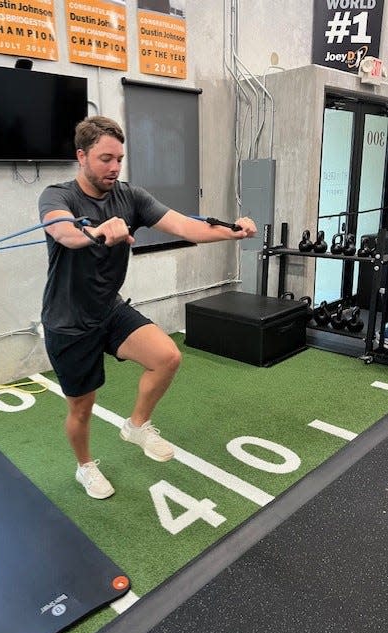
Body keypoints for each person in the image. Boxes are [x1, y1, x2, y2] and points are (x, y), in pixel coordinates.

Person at [38, 115, 256, 499]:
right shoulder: (58, 196)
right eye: (105, 158)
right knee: (82, 408)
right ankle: (85, 467)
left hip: (109, 309)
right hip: (68, 322)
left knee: (167, 356)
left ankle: (137, 424)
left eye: (119, 158)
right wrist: (97, 232)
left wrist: (232, 233)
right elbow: (63, 231)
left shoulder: (130, 196)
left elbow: (187, 227)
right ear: (82, 157)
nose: (114, 167)